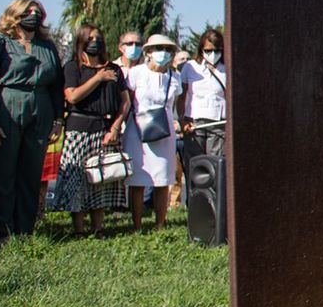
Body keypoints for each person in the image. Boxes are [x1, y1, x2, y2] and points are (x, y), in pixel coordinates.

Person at [0, 0, 63, 244]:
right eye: (28, 11)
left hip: (41, 108)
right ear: (15, 14)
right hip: (6, 106)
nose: (34, 14)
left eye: (38, 11)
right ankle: (1, 231)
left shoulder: (47, 46)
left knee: (31, 173)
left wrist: (57, 119)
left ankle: (24, 230)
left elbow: (57, 85)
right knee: (2, 172)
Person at [60, 24, 131, 237]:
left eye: (98, 37)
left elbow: (125, 102)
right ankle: (79, 230)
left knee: (102, 179)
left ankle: (98, 228)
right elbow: (72, 96)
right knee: (77, 179)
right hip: (78, 129)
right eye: (90, 38)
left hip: (106, 129)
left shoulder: (114, 69)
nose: (95, 41)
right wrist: (98, 78)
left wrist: (116, 127)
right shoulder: (73, 67)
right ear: (81, 41)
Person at [123, 34, 186, 229]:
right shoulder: (136, 73)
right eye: (159, 48)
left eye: (168, 50)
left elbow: (178, 104)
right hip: (138, 128)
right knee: (139, 179)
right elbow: (127, 100)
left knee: (162, 178)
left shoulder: (174, 77)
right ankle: (137, 224)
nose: (164, 53)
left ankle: (160, 222)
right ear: (148, 52)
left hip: (164, 129)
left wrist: (182, 122)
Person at [180, 28, 227, 159]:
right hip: (194, 123)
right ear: (201, 49)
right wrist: (182, 120)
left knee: (216, 165)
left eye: (216, 51)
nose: (212, 54)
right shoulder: (190, 66)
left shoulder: (227, 67)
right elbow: (182, 96)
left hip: (219, 123)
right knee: (196, 165)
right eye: (208, 51)